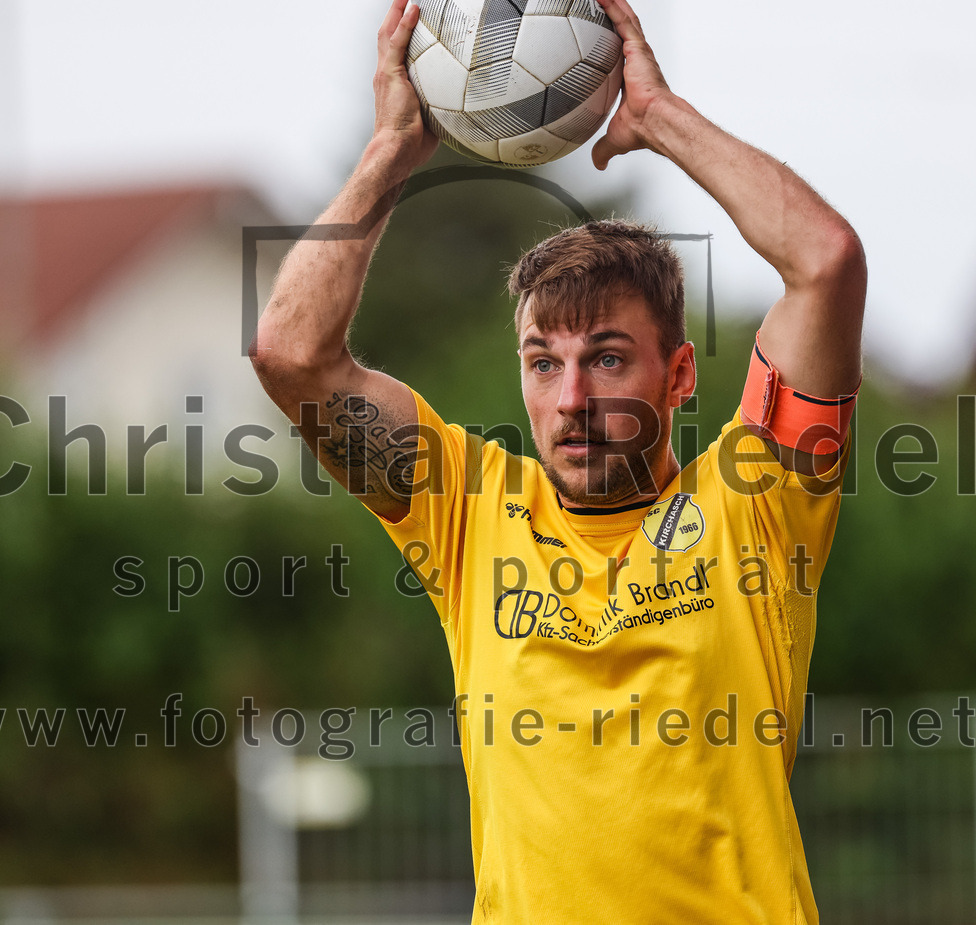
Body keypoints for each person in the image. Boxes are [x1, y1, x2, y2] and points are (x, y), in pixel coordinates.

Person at [251, 0, 866, 920]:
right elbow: (291, 352)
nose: (571, 400)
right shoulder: (469, 511)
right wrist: (393, 151)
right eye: (545, 363)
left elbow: (825, 259)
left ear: (681, 373)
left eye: (608, 358)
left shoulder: (758, 502)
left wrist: (659, 119)